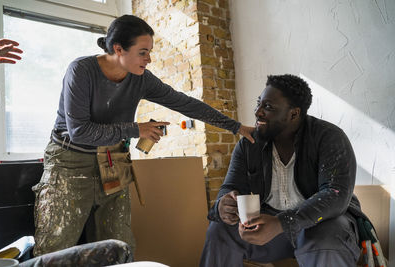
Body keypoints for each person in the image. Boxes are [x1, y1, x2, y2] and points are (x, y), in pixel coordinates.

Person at [32, 14, 255, 256]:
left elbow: (186, 103)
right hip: (69, 163)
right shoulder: (81, 71)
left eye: (149, 52)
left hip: (113, 162)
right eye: (143, 52)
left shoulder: (141, 79)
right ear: (118, 49)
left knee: (119, 247)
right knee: (55, 249)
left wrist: (236, 126)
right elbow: (79, 132)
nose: (149, 59)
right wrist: (135, 129)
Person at [200, 74, 370, 266]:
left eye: (268, 107)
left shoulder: (328, 137)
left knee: (324, 240)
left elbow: (335, 195)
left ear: (294, 114)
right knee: (219, 230)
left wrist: (283, 222)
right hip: (271, 230)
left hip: (323, 226)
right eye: (259, 104)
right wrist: (223, 206)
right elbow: (230, 186)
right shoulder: (248, 145)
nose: (258, 112)